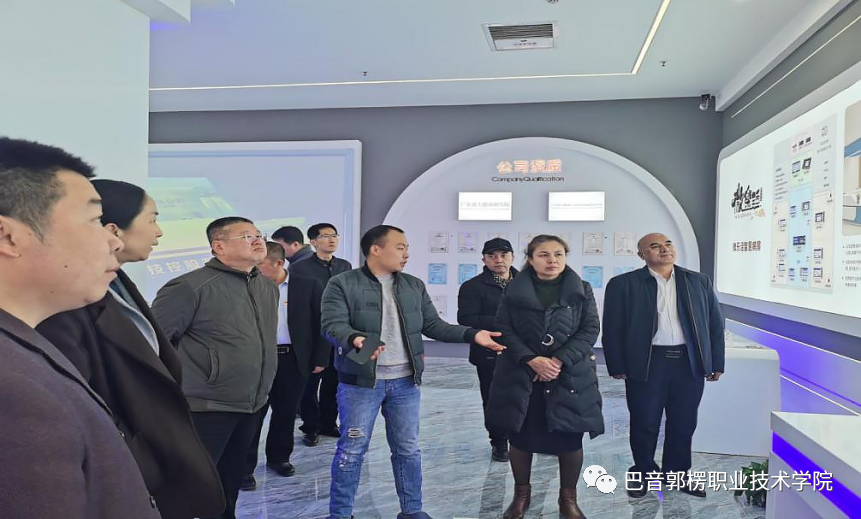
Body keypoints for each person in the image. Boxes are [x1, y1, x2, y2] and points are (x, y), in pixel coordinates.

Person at [37, 180, 225, 518]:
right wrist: (134, 452)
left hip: (156, 453)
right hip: (128, 466)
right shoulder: (67, 303)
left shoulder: (118, 282)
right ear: (113, 230)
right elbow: (79, 402)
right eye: (152, 219)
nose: (159, 232)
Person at [0, 137, 159, 517]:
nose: (113, 241)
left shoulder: (22, 345)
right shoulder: (12, 392)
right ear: (8, 236)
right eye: (93, 220)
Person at [321, 224, 504, 519]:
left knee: (407, 450)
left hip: (405, 384)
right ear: (375, 249)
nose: (406, 253)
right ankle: (341, 514)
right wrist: (355, 338)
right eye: (400, 247)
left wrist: (473, 334)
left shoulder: (413, 285)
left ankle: (412, 510)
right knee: (351, 450)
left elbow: (433, 325)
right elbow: (332, 325)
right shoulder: (342, 283)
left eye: (406, 247)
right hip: (360, 384)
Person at [152, 217, 278, 519]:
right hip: (205, 407)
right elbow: (155, 344)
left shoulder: (266, 287)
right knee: (188, 487)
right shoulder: (188, 287)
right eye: (246, 236)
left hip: (252, 403)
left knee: (229, 485)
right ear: (218, 246)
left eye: (258, 234)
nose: (257, 240)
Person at [486, 235, 604, 519]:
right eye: (544, 255)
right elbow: (503, 328)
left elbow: (589, 330)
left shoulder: (582, 289)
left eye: (558, 254)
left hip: (569, 373)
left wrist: (557, 360)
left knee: (569, 438)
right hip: (523, 373)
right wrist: (532, 360)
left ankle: (568, 500)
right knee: (521, 436)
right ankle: (521, 497)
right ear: (530, 259)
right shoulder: (514, 288)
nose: (552, 260)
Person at [602, 233, 725, 499]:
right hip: (648, 361)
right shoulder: (624, 284)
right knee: (645, 421)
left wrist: (715, 361)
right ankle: (643, 472)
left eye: (668, 244)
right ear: (642, 255)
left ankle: (677, 474)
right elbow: (612, 327)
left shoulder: (698, 281)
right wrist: (616, 364)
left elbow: (715, 325)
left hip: (688, 362)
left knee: (684, 422)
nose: (664, 249)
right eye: (655, 246)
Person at [243, 242, 329, 488]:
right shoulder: (248, 285)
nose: (255, 269)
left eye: (260, 264)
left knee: (286, 411)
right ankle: (244, 468)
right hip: (258, 358)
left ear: (278, 263)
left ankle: (279, 458)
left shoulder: (308, 285)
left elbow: (321, 323)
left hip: (293, 358)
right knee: (253, 414)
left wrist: (320, 358)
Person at [457, 237, 518, 463]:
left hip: (524, 351)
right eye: (492, 256)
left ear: (512, 257)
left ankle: (525, 440)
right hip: (489, 352)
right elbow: (466, 318)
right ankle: (499, 442)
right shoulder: (472, 286)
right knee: (494, 399)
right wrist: (507, 322)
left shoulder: (528, 282)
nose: (498, 260)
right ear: (484, 259)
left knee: (528, 398)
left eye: (504, 255)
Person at [292, 222, 352, 446]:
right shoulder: (300, 268)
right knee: (309, 384)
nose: (332, 239)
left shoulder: (344, 266)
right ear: (313, 242)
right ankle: (310, 426)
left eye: (334, 235)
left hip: (338, 333)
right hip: (312, 333)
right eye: (326, 236)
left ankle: (328, 422)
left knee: (333, 382)